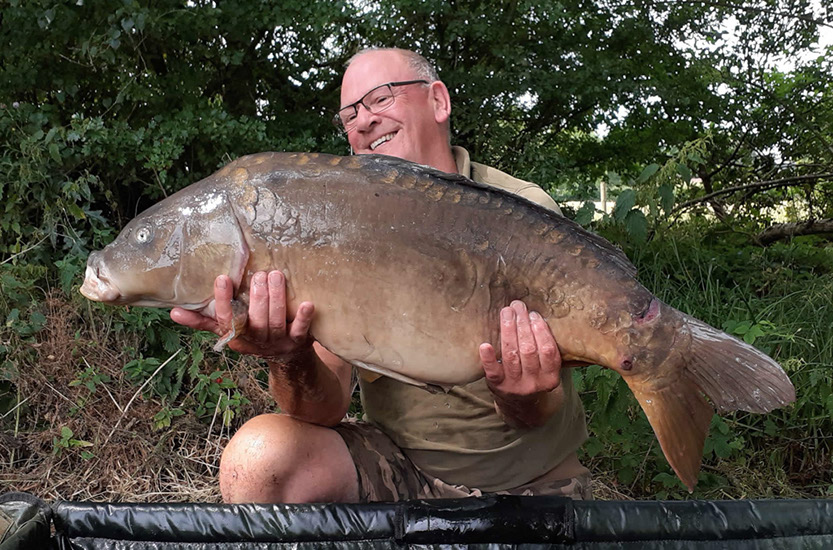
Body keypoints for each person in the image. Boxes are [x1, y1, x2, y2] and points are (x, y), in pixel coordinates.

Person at [171, 48, 591, 503]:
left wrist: (519, 396)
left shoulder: (523, 215)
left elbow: (540, 412)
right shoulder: (330, 228)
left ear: (438, 101)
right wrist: (288, 356)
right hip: (401, 469)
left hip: (531, 481)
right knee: (260, 459)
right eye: (349, 115)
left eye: (380, 99)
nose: (363, 121)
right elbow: (324, 409)